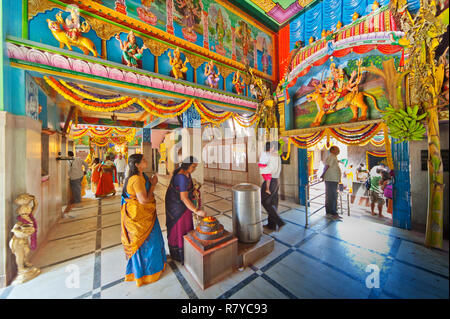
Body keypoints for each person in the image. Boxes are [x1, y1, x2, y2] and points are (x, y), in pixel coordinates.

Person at [121, 154, 166, 286]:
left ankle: (155, 266)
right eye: (144, 160)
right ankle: (146, 272)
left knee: (153, 239)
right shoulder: (136, 179)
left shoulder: (142, 175)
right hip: (139, 217)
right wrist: (153, 185)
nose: (146, 161)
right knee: (146, 242)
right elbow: (144, 200)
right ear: (137, 165)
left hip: (146, 215)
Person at [165, 156, 207, 264]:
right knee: (179, 228)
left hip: (184, 206)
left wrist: (193, 191)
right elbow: (183, 197)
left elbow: (188, 190)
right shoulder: (181, 177)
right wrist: (196, 210)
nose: (194, 169)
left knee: (187, 226)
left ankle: (187, 249)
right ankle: (179, 254)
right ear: (187, 165)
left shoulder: (186, 173)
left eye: (195, 167)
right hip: (177, 207)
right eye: (193, 166)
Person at [261, 141, 286, 231]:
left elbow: (270, 169)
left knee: (265, 202)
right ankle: (272, 225)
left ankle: (279, 222)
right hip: (275, 181)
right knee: (273, 203)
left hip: (270, 181)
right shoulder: (277, 156)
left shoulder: (272, 156)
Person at [321, 146, 343, 221]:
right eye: (337, 149)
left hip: (332, 179)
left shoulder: (334, 157)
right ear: (332, 150)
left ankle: (331, 212)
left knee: (331, 195)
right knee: (332, 196)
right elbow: (326, 166)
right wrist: (322, 175)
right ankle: (332, 213)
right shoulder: (331, 156)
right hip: (331, 179)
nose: (339, 150)